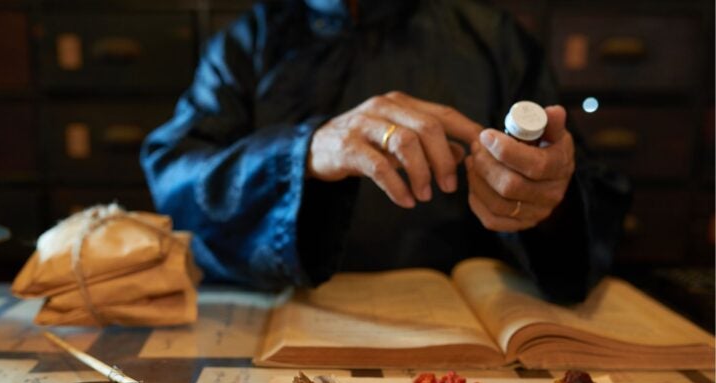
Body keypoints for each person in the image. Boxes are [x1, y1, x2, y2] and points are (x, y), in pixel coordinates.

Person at [141, 0, 630, 303]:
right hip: (282, 321)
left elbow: (578, 188)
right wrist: (303, 152)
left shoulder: (495, 39)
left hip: (464, 329)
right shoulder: (246, 44)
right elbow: (175, 179)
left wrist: (544, 195)